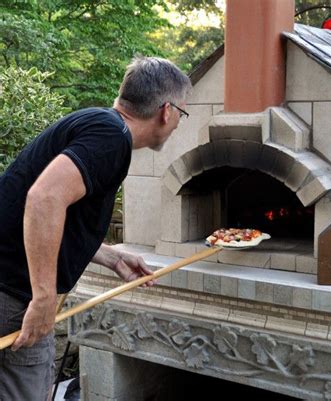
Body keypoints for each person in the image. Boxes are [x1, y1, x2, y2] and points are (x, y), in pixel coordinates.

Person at [0, 56, 191, 401]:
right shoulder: (110, 137)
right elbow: (43, 199)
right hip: (13, 295)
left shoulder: (97, 123)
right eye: (182, 113)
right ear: (167, 110)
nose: (179, 122)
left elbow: (57, 216)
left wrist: (109, 256)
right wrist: (44, 297)